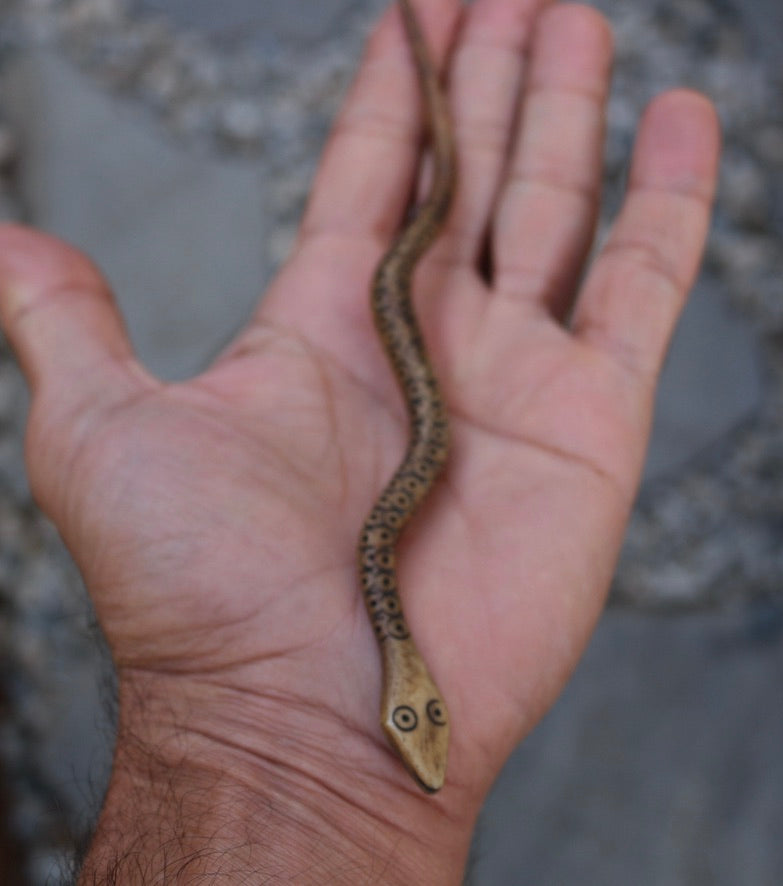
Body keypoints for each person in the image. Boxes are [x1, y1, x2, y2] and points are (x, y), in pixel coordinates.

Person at [0, 0, 719, 882]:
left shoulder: (390, 595)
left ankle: (424, 48)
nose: (425, 740)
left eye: (419, 728)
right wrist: (297, 770)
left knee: (402, 272)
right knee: (399, 272)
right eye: (425, 724)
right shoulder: (383, 614)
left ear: (401, 707)